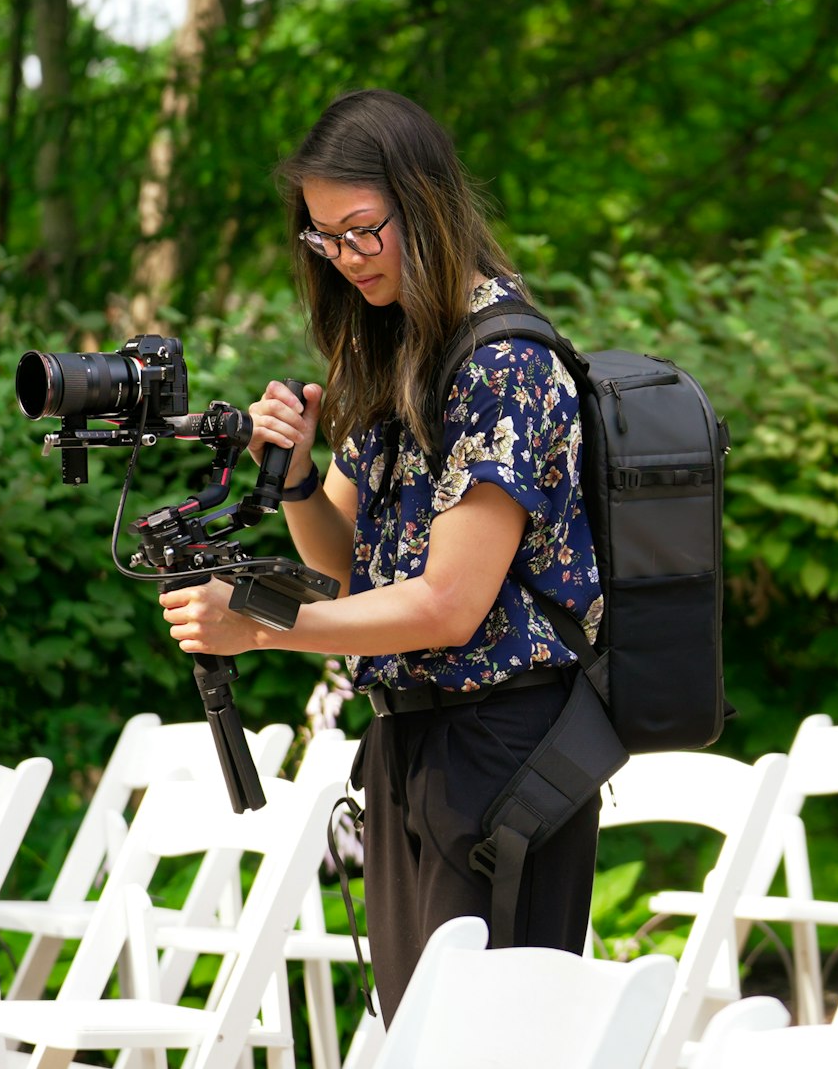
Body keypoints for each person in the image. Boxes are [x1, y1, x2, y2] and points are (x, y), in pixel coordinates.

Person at [159, 88, 605, 1024]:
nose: (346, 257)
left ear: (427, 203)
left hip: (506, 749)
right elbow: (349, 565)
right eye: (325, 238)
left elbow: (447, 603)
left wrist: (263, 629)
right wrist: (292, 479)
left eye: (363, 230)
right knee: (422, 1034)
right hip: (410, 741)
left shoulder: (502, 364)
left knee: (491, 1040)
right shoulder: (401, 347)